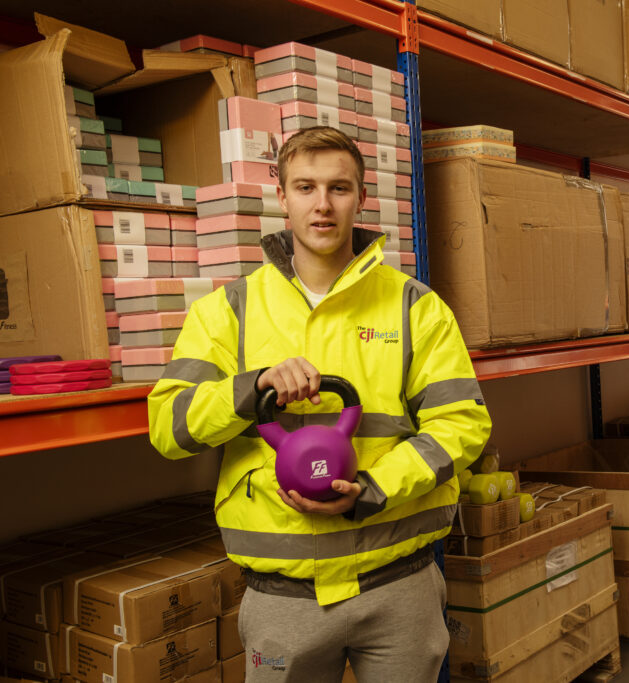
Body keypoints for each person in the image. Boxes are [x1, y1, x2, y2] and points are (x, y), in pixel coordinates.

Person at [148, 126, 491, 682]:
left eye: (339, 187)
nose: (323, 204)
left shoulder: (414, 307)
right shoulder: (226, 313)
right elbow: (168, 427)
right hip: (282, 597)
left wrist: (374, 491)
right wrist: (249, 388)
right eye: (305, 187)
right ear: (281, 196)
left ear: (361, 197)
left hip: (398, 583)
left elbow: (463, 424)